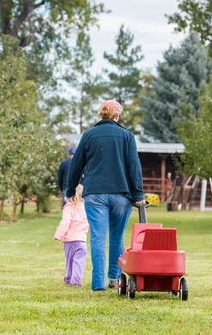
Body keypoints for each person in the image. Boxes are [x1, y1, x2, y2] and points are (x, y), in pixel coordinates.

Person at [65, 100, 145, 291]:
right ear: (118, 116)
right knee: (117, 236)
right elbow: (134, 166)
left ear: (100, 114)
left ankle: (98, 283)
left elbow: (76, 165)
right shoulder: (126, 136)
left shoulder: (89, 135)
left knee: (98, 237)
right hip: (122, 194)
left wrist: (70, 190)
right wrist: (138, 193)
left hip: (95, 194)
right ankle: (115, 279)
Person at [54, 185, 89, 287]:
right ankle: (76, 280)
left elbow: (65, 222)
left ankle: (69, 277)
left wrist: (58, 235)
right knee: (79, 261)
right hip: (81, 240)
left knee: (69, 261)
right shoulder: (86, 208)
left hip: (69, 241)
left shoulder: (68, 208)